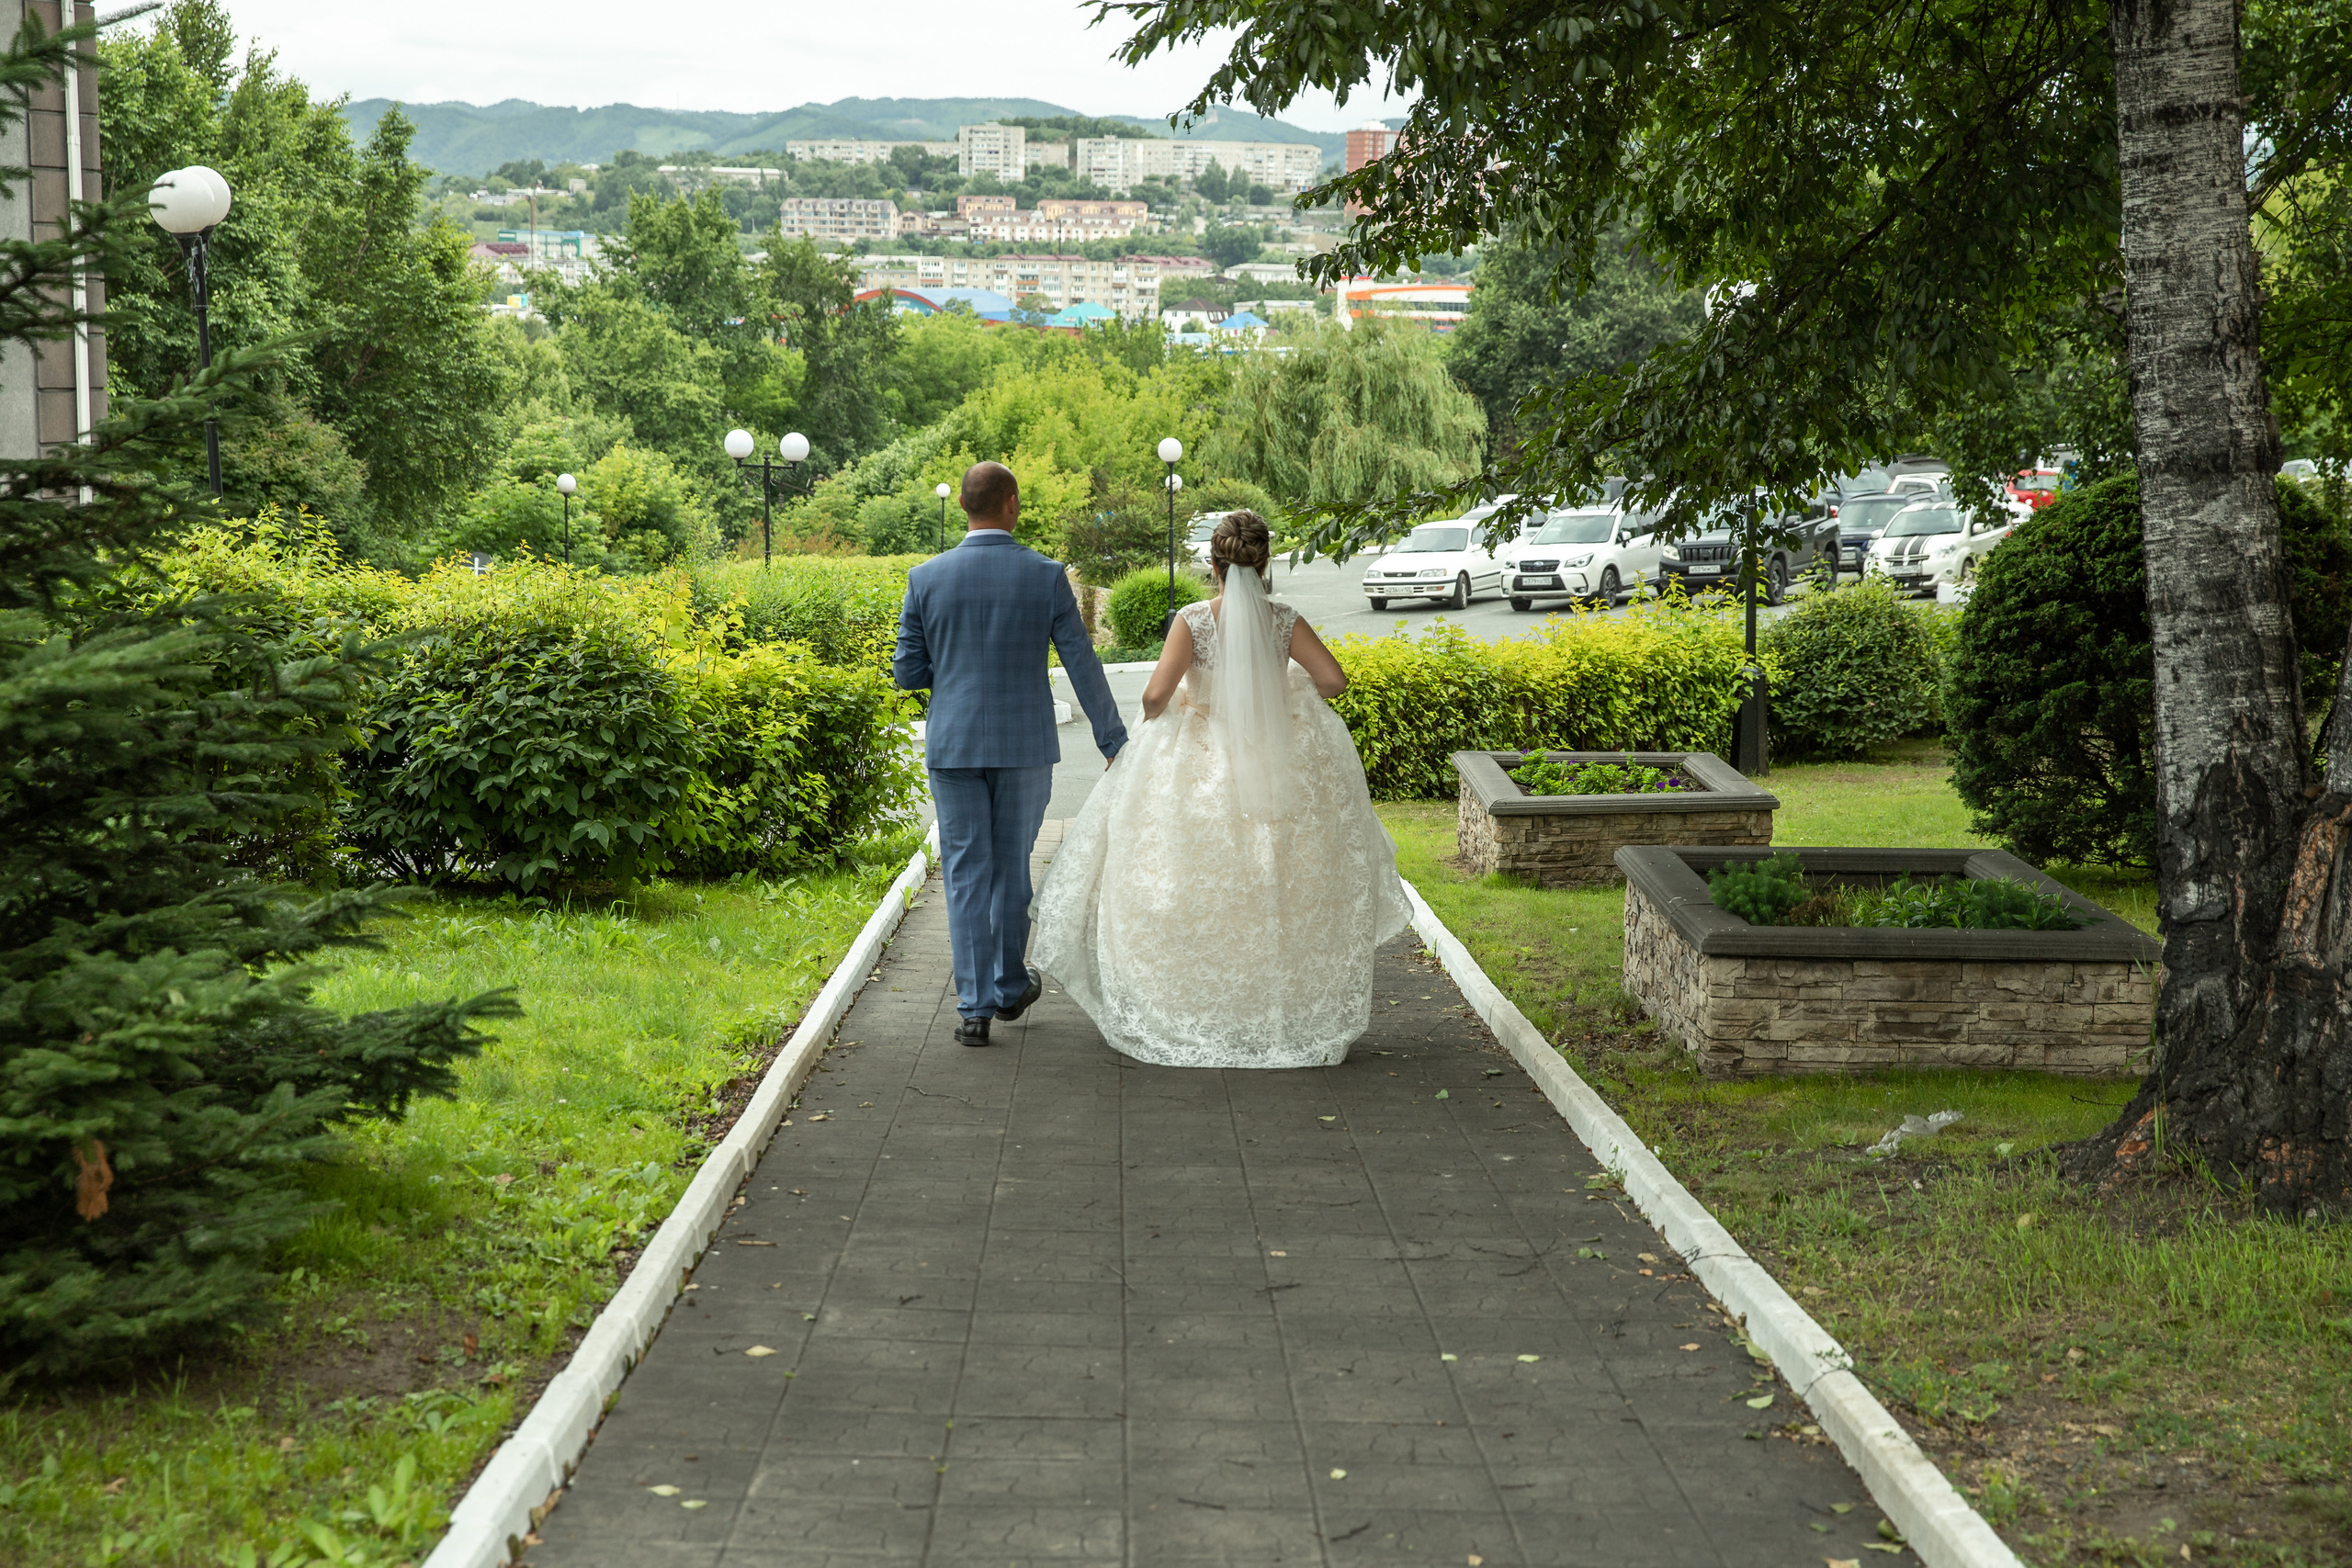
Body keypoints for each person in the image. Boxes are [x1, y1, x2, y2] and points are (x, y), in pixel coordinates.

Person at [1031, 511, 1412, 1067]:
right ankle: (1274, 1005)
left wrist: (1186, 703)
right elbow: (1334, 681)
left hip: (1199, 761)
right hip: (1277, 762)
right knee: (1276, 878)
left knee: (1191, 878)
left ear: (1214, 565)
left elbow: (1156, 696)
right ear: (1263, 565)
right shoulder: (1284, 620)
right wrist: (1283, 690)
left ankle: (1196, 1002)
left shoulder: (1194, 620)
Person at [894, 460, 1126, 1047]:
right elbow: (1081, 661)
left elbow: (907, 673)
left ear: (967, 506)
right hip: (1023, 745)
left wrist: (953, 673)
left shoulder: (925, 578)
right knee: (1011, 866)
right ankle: (1006, 984)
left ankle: (974, 1009)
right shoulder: (1045, 576)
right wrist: (1112, 740)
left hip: (953, 744)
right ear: (1012, 504)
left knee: (965, 870)